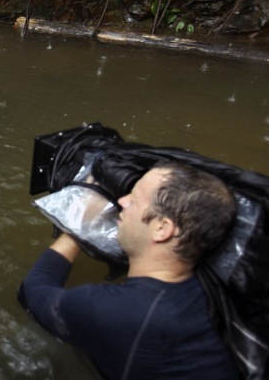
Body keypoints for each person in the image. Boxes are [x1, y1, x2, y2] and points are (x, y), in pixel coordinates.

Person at [18, 162, 241, 380]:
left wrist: (79, 223)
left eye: (133, 200)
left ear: (162, 229)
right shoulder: (220, 291)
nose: (121, 201)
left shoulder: (114, 311)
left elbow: (31, 292)